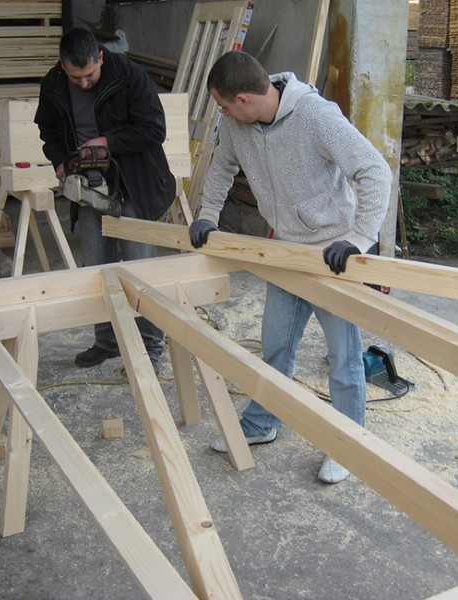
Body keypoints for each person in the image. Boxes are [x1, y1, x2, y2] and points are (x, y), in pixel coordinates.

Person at [189, 51, 392, 483]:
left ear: (243, 99)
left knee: (343, 359)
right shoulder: (237, 126)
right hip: (284, 252)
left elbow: (375, 170)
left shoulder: (316, 116)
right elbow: (222, 165)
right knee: (276, 346)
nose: (222, 113)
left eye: (224, 106)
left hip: (332, 256)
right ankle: (262, 422)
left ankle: (348, 445)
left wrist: (359, 238)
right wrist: (207, 214)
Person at [35, 27, 176, 373]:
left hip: (133, 181)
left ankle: (150, 347)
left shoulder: (128, 75)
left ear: (100, 58)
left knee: (140, 269)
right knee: (97, 266)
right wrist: (60, 161)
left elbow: (154, 129)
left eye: (89, 75)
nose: (83, 83)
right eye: (75, 77)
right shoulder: (53, 84)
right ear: (62, 65)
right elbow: (48, 130)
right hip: (88, 184)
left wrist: (108, 142)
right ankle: (107, 341)